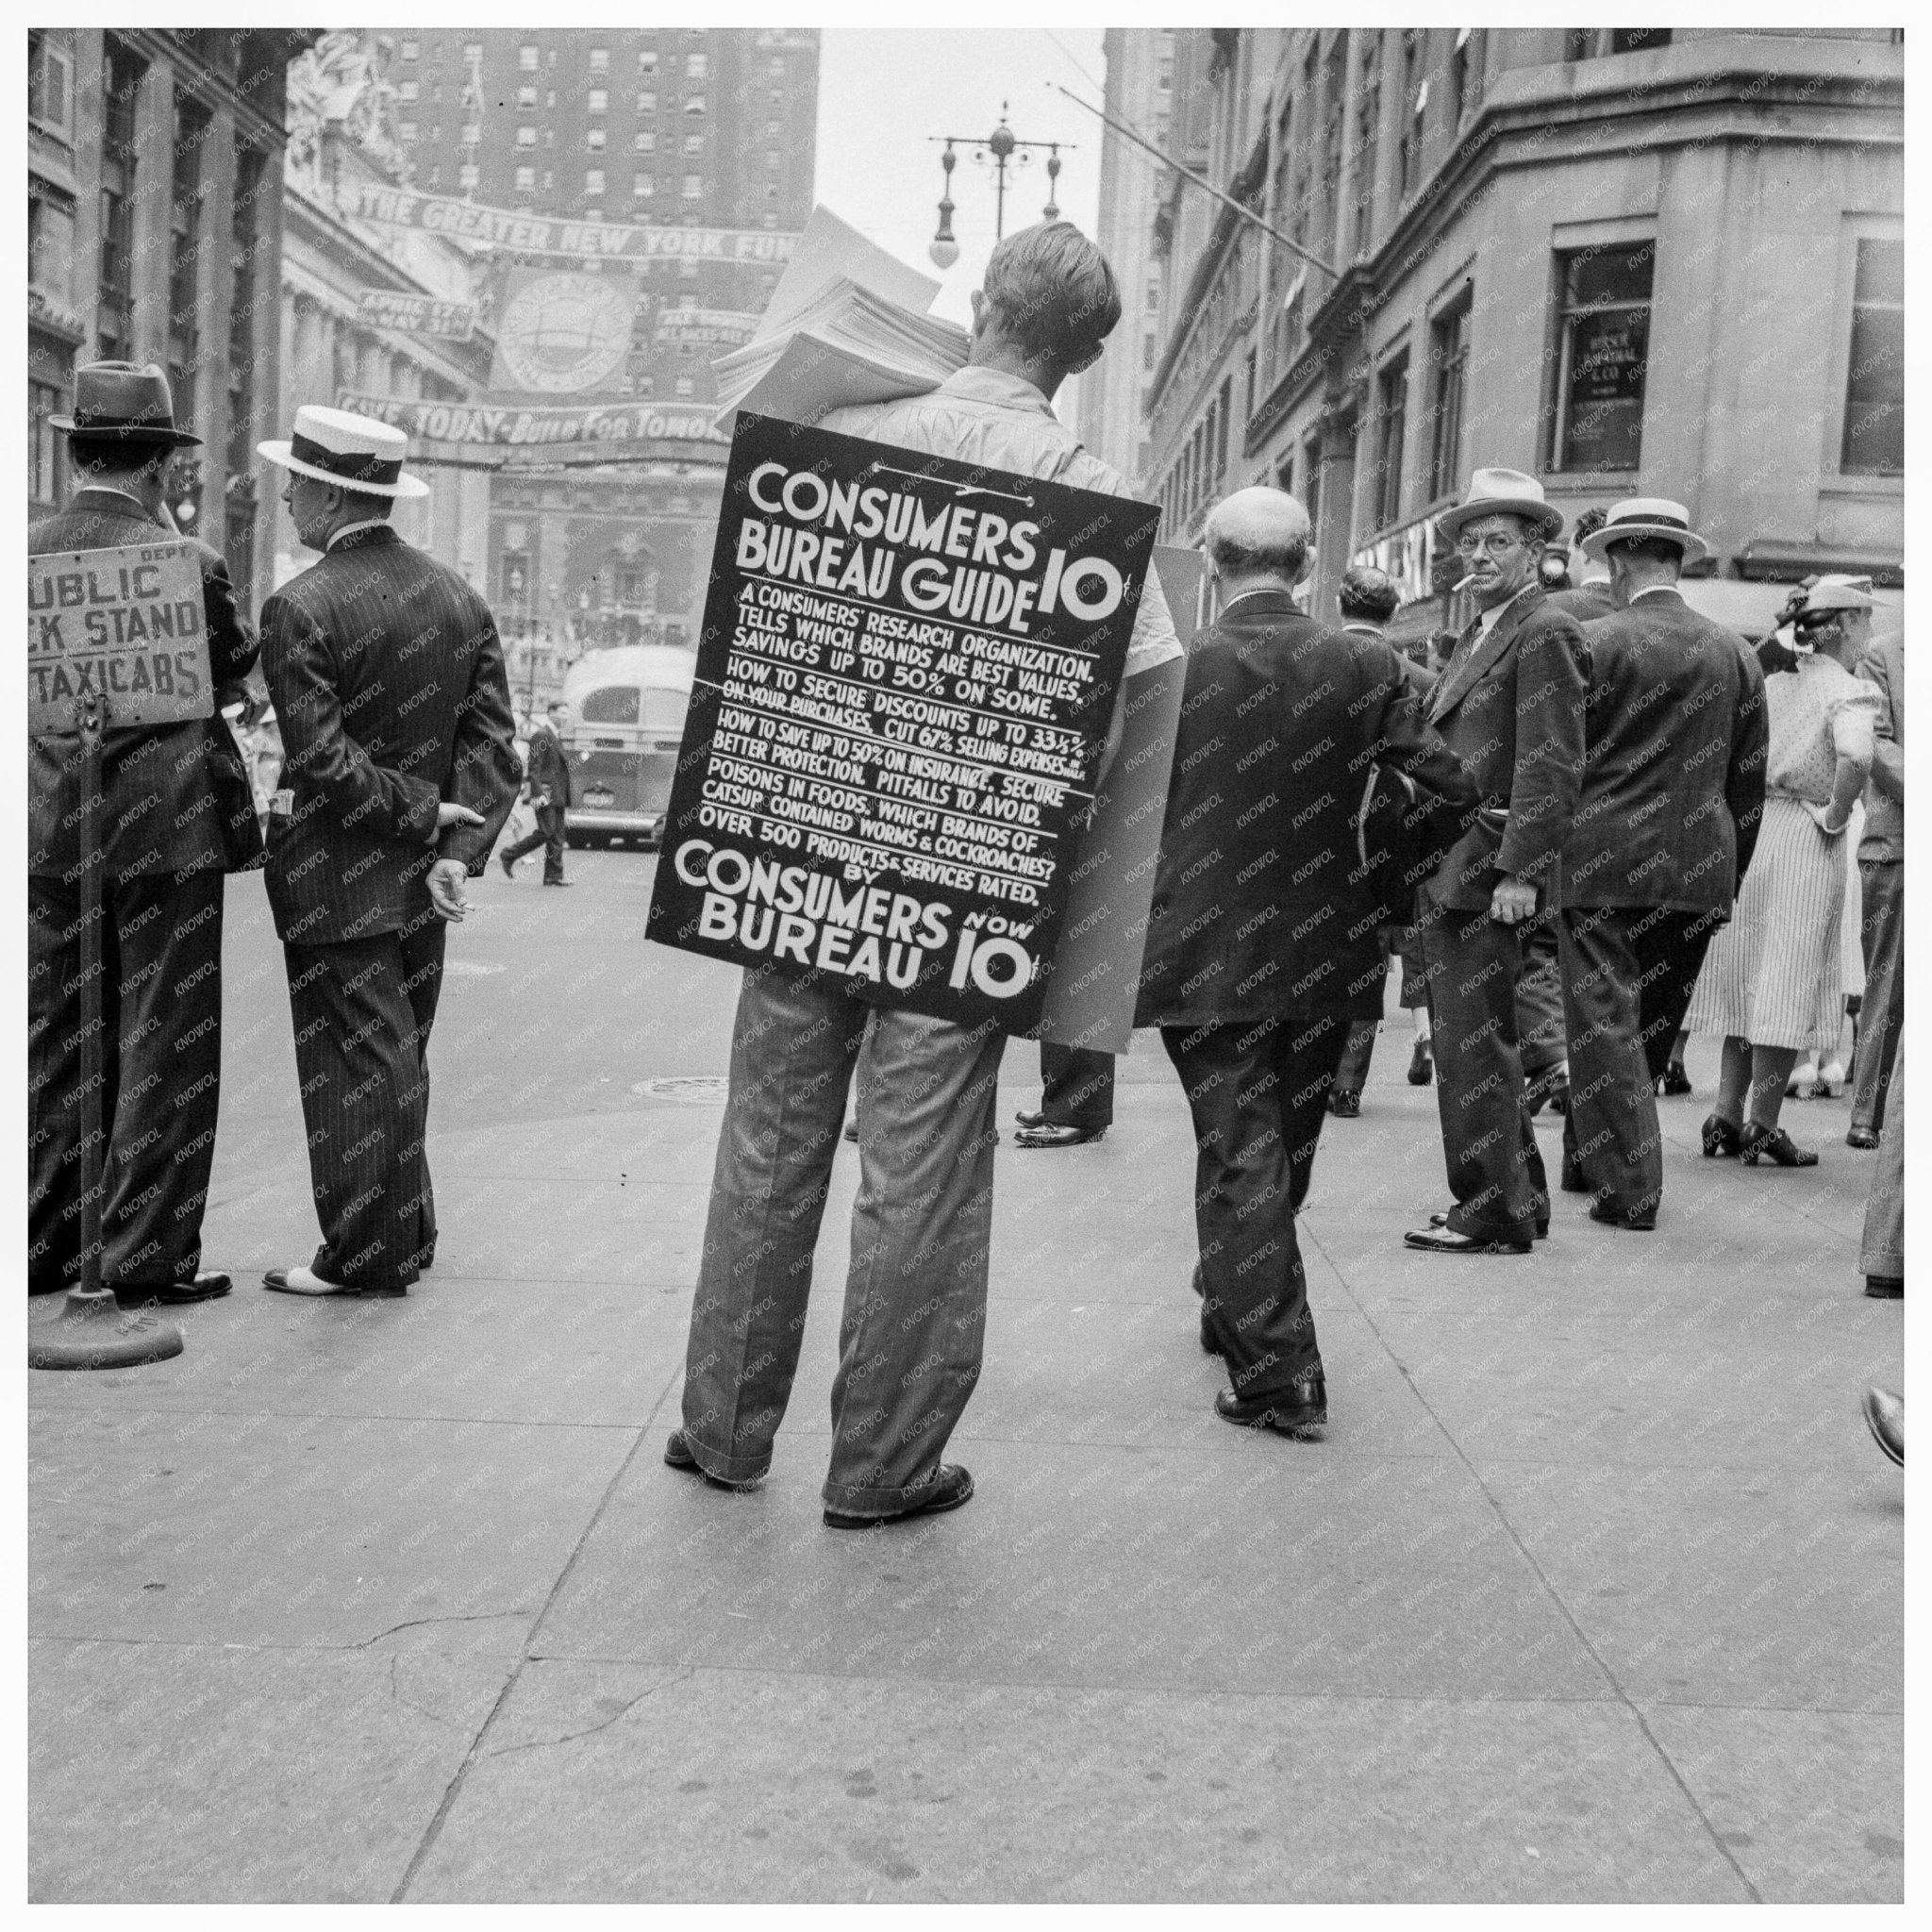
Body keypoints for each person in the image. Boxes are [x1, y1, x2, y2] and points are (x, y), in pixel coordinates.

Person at [667, 222, 1185, 1525]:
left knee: (769, 1137)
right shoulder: (1094, 488)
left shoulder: (847, 434)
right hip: (968, 875)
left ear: (980, 310)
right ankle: (883, 1464)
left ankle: (723, 1430)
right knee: (922, 1168)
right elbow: (1118, 726)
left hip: (803, 840)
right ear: (1086, 356)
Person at [1137, 489, 1476, 1434]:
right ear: (1305, 563)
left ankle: (1277, 1369)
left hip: (1201, 944)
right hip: (1329, 941)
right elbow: (1452, 784)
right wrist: (1382, 871)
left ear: (1210, 560)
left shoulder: (1173, 666)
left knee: (1236, 1143)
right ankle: (1237, 1301)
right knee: (1280, 1140)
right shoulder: (1363, 662)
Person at [255, 406, 521, 1297]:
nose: (286, 494)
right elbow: (494, 744)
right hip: (423, 882)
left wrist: (421, 814)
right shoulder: (458, 597)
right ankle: (406, 1233)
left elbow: (324, 760)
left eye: (297, 480)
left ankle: (364, 1257)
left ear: (331, 494)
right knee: (400, 1055)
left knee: (351, 1065)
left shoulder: (300, 605)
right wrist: (456, 840)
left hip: (335, 879)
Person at [28, 360, 261, 1307]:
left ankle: (44, 1239)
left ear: (75, 449)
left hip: (52, 824)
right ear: (160, 465)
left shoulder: (26, 553)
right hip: (167, 831)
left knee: (53, 1035)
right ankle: (146, 1253)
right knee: (166, 1038)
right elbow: (235, 672)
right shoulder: (189, 563)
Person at [1554, 499, 1768, 1228]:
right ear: (1677, 561)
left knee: (1601, 1020)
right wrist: (1726, 878)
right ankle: (1589, 1160)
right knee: (1647, 1024)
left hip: (1600, 860)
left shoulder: (1593, 641)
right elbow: (1749, 780)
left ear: (1615, 563)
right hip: (1695, 865)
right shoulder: (1735, 652)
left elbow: (1560, 761)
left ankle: (1630, 1188)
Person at [1404, 469, 1589, 1255]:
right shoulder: (1486, 628)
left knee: (1473, 1047)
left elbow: (1552, 762)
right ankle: (1522, 1198)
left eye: (1499, 543)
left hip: (1486, 871)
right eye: (1469, 542)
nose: (1478, 556)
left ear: (1536, 550)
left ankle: (1491, 1209)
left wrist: (1519, 871)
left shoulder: (1542, 630)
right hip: (1460, 865)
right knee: (1482, 1042)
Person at [1684, 579, 1881, 1167]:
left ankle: (1724, 1111)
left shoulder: (1771, 684)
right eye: (1865, 619)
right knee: (1787, 977)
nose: (1868, 631)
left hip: (1755, 829)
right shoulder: (1848, 690)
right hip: (1807, 834)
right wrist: (1839, 812)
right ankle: (1763, 1125)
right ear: (1844, 625)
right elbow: (1858, 755)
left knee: (1747, 971)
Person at [1328, 564, 1435, 1113]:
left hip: (1311, 835)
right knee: (1368, 961)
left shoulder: (1312, 662)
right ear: (1392, 614)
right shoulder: (1416, 679)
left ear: (1340, 605)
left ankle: (1306, 1073)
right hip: (1389, 842)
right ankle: (1347, 1085)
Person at [1847, 620, 1903, 1148]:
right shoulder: (1882, 655)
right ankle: (1869, 1111)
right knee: (1889, 985)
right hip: (1900, 844)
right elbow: (1876, 744)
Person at [499, 699, 575, 886]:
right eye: (563, 713)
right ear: (551, 713)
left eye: (567, 713)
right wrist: (538, 794)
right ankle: (509, 854)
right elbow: (534, 768)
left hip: (557, 793)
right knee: (546, 832)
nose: (566, 718)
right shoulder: (542, 735)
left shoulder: (554, 735)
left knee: (557, 835)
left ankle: (553, 875)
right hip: (545, 793)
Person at [1545, 508, 1614, 623]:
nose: (1567, 569)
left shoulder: (1549, 608)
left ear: (1585, 554)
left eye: (1570, 553)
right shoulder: (1638, 608)